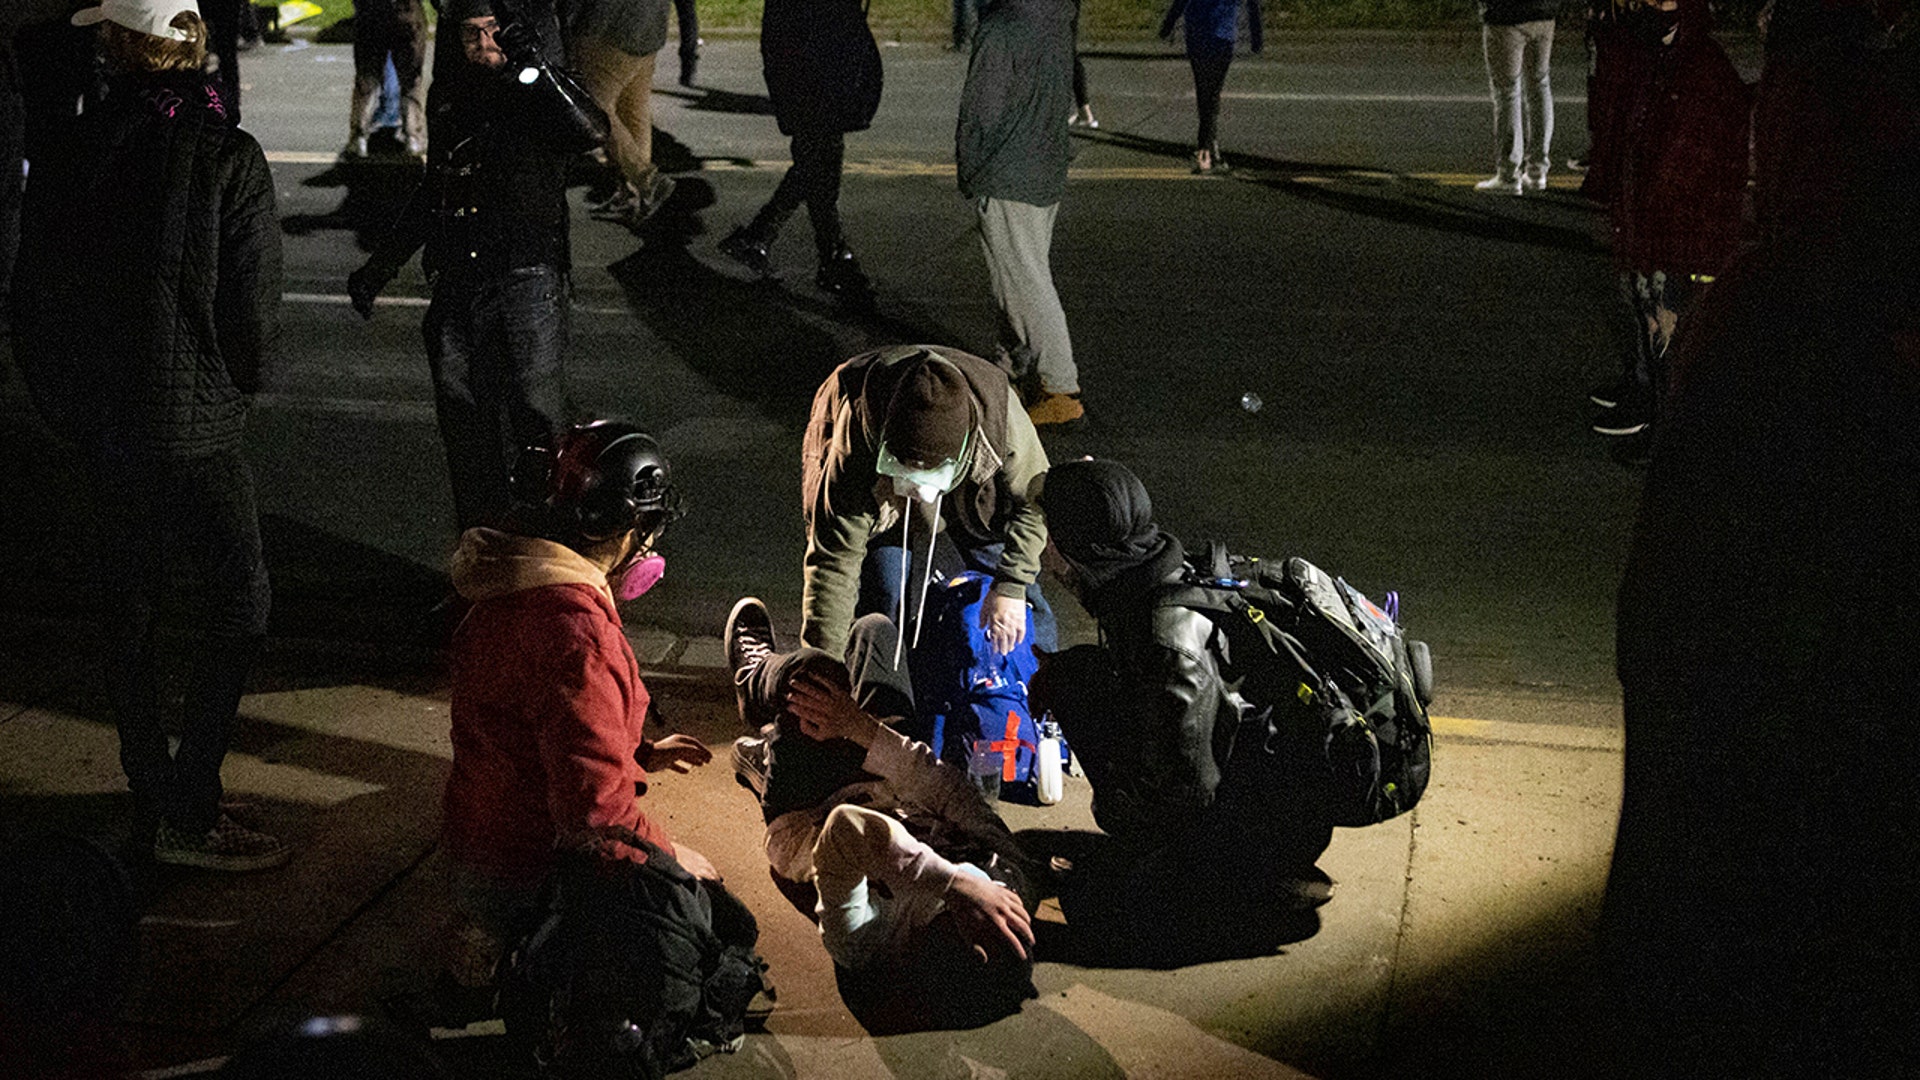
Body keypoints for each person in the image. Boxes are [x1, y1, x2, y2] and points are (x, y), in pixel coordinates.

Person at [11, 0, 286, 871]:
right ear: (192, 44)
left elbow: (34, 299)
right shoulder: (226, 154)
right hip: (197, 426)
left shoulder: (75, 150)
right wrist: (237, 386)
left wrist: (65, 405)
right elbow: (253, 314)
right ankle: (190, 800)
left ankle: (149, 785)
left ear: (124, 47)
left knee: (129, 606)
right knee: (239, 603)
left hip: (105, 425)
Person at [440, 420, 721, 1001]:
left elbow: (530, 722)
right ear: (625, 528)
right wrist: (670, 863)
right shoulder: (578, 636)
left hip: (475, 845)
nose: (650, 547)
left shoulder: (506, 583)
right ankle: (522, 952)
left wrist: (636, 749)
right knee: (710, 912)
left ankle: (487, 942)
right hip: (526, 868)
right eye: (647, 529)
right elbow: (597, 822)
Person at [1029, 459, 1334, 939]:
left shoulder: (1166, 639)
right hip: (1265, 790)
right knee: (1074, 673)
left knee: (1096, 909)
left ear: (1079, 550)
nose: (1044, 551)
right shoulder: (1160, 573)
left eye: (1051, 535)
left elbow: (1188, 791)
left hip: (1269, 824)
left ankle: (1243, 881)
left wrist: (1125, 825)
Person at [347, 0, 607, 533]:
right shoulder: (452, 96)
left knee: (543, 431)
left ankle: (554, 570)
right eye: (471, 34)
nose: (484, 45)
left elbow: (591, 130)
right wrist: (382, 266)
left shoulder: (540, 91)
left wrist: (534, 66)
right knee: (466, 433)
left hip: (525, 281)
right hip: (458, 283)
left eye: (494, 32)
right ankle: (481, 558)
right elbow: (432, 191)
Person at [723, 598, 1039, 1031]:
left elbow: (848, 827)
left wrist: (954, 881)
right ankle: (771, 745)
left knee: (814, 674)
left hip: (812, 805)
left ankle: (753, 683)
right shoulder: (1009, 887)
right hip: (883, 777)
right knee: (876, 631)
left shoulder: (864, 942)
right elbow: (948, 788)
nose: (992, 895)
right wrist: (857, 727)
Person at [800, 344, 1054, 667]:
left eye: (931, 477)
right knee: (880, 603)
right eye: (905, 471)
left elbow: (1034, 506)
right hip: (879, 487)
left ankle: (1043, 699)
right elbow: (833, 563)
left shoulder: (1003, 421)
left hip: (974, 492)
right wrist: (822, 671)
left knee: (1025, 606)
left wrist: (1012, 585)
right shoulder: (854, 437)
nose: (919, 492)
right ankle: (880, 693)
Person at [1583, 0, 1749, 449]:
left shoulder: (1699, 68)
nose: (1652, 6)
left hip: (1679, 234)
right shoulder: (1663, 56)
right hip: (1657, 228)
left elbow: (1683, 165)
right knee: (1655, 327)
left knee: (1672, 339)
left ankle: (1672, 436)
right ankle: (1660, 420)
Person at [958, 0, 1084, 425]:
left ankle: (1061, 386)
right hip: (1044, 166)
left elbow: (982, 110)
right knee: (1010, 279)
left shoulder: (1001, 29)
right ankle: (1010, 368)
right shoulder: (1053, 18)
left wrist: (969, 166)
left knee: (1025, 280)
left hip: (1008, 170)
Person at [717, 0, 881, 310]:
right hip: (812, 74)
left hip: (815, 71)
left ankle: (764, 236)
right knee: (820, 162)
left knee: (817, 161)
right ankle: (830, 256)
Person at [562, 0, 678, 228]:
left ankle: (646, 180)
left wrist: (571, 25)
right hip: (649, 27)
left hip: (608, 28)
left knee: (595, 109)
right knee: (634, 110)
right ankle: (633, 195)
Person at [1159, 0, 1261, 174]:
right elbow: (1252, 5)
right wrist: (1256, 36)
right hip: (1221, 35)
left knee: (1205, 91)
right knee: (1212, 92)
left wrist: (1169, 23)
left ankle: (1207, 147)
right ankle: (1206, 150)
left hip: (1198, 33)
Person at [1473, 0, 1559, 193]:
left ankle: (1509, 174)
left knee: (1507, 92)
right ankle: (1537, 172)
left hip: (1506, 15)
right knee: (1540, 85)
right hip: (1544, 12)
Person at [341, 0, 427, 160]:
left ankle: (359, 136)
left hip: (370, 15)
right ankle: (413, 136)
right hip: (406, 12)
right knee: (411, 80)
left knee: (367, 78)